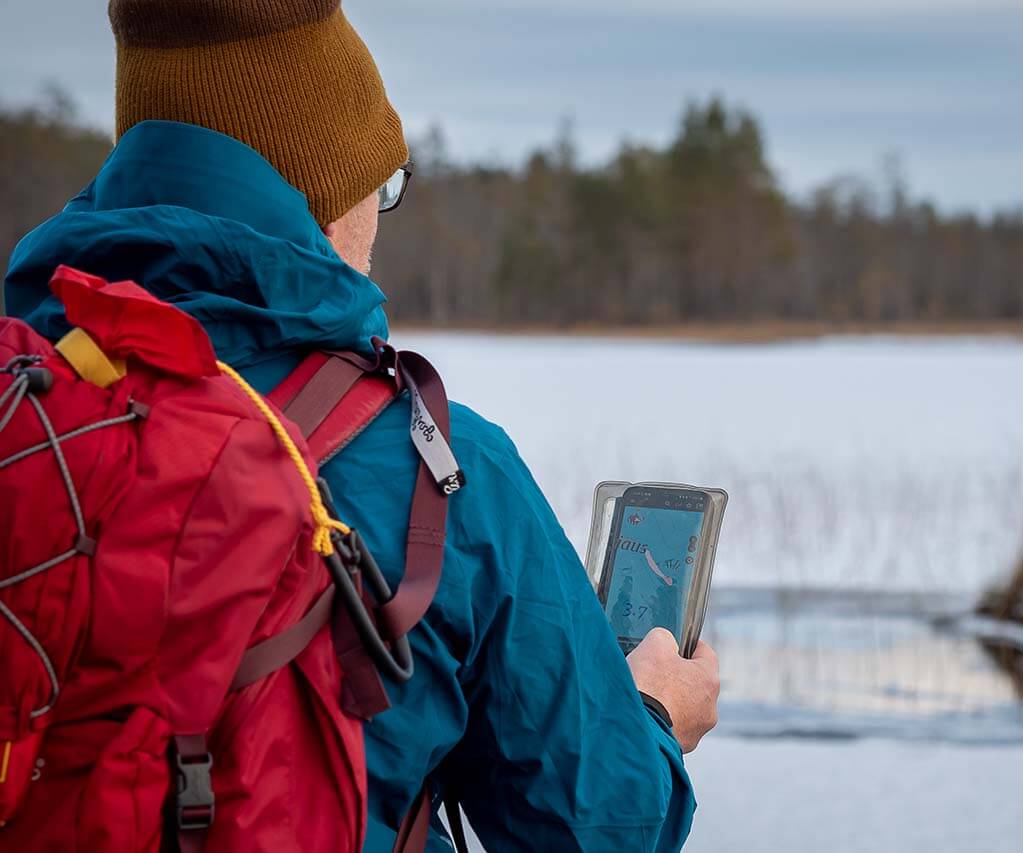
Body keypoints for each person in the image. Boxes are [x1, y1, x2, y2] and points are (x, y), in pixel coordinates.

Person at [3, 1, 720, 850]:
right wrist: (652, 716)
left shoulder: (22, 408)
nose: (378, 219)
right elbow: (600, 829)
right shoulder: (446, 468)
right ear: (325, 198)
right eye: (384, 185)